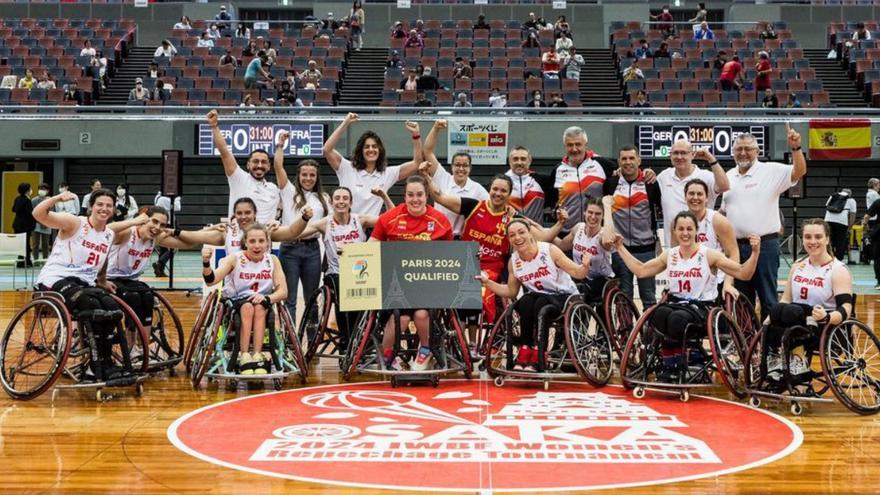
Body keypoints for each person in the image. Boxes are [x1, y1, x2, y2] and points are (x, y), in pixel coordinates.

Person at [613, 212, 760, 378]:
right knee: (657, 314)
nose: (685, 233)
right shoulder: (670, 254)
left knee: (677, 319)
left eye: (689, 229)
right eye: (681, 229)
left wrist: (755, 253)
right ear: (674, 231)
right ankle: (670, 364)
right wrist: (620, 247)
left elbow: (743, 273)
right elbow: (641, 270)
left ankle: (680, 362)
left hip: (701, 308)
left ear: (696, 230)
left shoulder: (708, 254)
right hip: (675, 304)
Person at [33, 189, 125, 380]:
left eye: (109, 205)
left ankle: (106, 361)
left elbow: (103, 259)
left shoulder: (108, 234)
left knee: (111, 307)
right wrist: (57, 198)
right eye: (100, 204)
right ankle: (95, 364)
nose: (104, 209)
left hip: (84, 283)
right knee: (90, 305)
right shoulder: (75, 222)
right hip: (56, 278)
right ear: (91, 206)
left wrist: (102, 281)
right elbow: (38, 214)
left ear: (114, 209)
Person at [479, 219, 590, 371]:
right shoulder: (514, 261)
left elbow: (578, 273)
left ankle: (540, 350)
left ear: (530, 233)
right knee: (524, 301)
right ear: (509, 240)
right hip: (538, 298)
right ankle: (525, 348)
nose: (517, 238)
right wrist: (488, 283)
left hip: (565, 297)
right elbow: (511, 291)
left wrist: (585, 265)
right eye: (512, 235)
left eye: (521, 232)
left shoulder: (549, 250)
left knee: (539, 303)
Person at [721, 128, 806, 321]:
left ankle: (771, 346)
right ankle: (747, 347)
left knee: (768, 298)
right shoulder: (728, 176)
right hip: (736, 248)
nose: (743, 153)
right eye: (739, 149)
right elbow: (724, 212)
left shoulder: (771, 170)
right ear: (733, 152)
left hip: (765, 246)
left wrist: (796, 148)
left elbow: (799, 171)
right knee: (742, 300)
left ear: (757, 151)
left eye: (748, 149)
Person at [370, 175, 453, 371]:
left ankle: (425, 350)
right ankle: (387, 353)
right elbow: (372, 246)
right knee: (403, 317)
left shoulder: (440, 221)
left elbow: (450, 255)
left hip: (427, 283)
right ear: (404, 196)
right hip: (395, 282)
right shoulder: (389, 218)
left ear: (427, 196)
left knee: (422, 315)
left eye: (419, 195)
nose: (415, 199)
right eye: (410, 195)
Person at [765, 219, 853, 381]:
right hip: (795, 320)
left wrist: (827, 317)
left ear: (827, 239)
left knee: (793, 311)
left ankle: (799, 361)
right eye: (808, 237)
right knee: (776, 310)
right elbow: (786, 298)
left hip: (824, 326)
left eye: (818, 237)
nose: (813, 241)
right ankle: (776, 359)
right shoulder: (798, 265)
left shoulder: (837, 270)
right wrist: (771, 317)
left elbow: (847, 308)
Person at [99, 207, 193, 353]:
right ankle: (130, 347)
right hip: (111, 278)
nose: (157, 227)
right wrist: (133, 221)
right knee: (133, 298)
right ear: (144, 219)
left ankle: (143, 346)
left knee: (148, 296)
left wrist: (210, 232)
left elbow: (190, 243)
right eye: (154, 221)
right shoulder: (127, 233)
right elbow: (104, 230)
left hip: (131, 280)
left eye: (162, 225)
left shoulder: (155, 239)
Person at [295, 187, 378, 348]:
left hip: (360, 273)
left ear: (351, 202)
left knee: (369, 290)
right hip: (335, 274)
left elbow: (389, 220)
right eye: (337, 198)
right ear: (332, 203)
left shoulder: (360, 220)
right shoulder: (324, 223)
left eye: (345, 198)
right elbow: (295, 233)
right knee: (344, 290)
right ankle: (347, 341)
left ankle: (365, 338)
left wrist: (383, 196)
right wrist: (274, 229)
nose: (341, 201)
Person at [202, 223, 287, 375]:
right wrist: (206, 263)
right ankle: (244, 354)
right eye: (252, 241)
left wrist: (268, 297)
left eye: (261, 241)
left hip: (262, 302)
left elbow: (283, 292)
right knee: (248, 307)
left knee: (260, 306)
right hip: (236, 302)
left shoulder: (272, 260)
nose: (257, 245)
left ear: (267, 242)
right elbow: (211, 280)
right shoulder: (234, 259)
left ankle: (257, 354)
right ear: (245, 242)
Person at [273, 131, 332, 324]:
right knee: (289, 299)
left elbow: (326, 227)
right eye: (304, 174)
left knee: (312, 299)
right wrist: (280, 145)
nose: (308, 178)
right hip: (289, 249)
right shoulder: (289, 191)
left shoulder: (324, 199)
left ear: (317, 177)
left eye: (312, 175)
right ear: (298, 176)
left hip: (312, 251)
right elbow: (278, 166)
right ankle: (290, 344)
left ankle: (312, 343)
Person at [323, 113, 422, 216]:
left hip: (371, 229)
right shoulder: (347, 168)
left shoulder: (387, 173)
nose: (371, 150)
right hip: (345, 227)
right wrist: (345, 123)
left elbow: (416, 163)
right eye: (367, 147)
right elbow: (327, 149)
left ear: (380, 150)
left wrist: (416, 135)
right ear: (361, 150)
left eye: (374, 146)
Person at [604, 145, 661, 307]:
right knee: (623, 298)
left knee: (649, 297)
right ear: (619, 162)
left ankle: (651, 332)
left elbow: (661, 208)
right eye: (624, 159)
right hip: (619, 250)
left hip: (646, 250)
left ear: (639, 160)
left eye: (631, 158)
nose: (628, 162)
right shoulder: (611, 182)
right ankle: (625, 332)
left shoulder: (650, 183)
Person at [207, 110, 280, 224]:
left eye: (263, 162)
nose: (259, 165)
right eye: (255, 161)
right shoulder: (239, 178)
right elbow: (224, 151)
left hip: (263, 240)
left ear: (269, 166)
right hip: (238, 240)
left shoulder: (274, 189)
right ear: (248, 164)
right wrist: (214, 126)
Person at [656, 139, 730, 247]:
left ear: (692, 155)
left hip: (703, 248)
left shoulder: (706, 176)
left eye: (683, 153)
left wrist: (711, 159)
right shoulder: (664, 176)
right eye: (675, 153)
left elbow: (725, 186)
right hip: (673, 249)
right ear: (670, 156)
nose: (679, 157)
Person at [554, 126, 627, 233]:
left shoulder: (601, 163)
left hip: (597, 232)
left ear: (586, 145)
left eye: (578, 144)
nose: (574, 149)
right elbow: (552, 200)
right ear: (565, 146)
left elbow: (629, 169)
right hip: (567, 232)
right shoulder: (557, 170)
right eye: (570, 145)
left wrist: (646, 173)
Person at [680, 179, 739, 298]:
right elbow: (675, 255)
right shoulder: (679, 221)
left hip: (715, 280)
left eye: (700, 194)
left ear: (707, 198)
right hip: (689, 280)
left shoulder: (718, 221)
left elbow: (733, 254)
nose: (695, 197)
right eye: (691, 193)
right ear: (685, 197)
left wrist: (728, 283)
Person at [555, 198, 615, 301]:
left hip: (601, 279)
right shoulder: (579, 228)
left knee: (583, 290)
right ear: (584, 212)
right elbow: (561, 245)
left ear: (603, 216)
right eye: (590, 212)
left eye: (598, 214)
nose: (593, 217)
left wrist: (608, 207)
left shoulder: (603, 234)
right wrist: (539, 232)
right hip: (581, 276)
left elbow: (608, 240)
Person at [506, 146, 555, 224]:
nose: (519, 163)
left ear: (529, 161)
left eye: (523, 159)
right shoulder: (501, 181)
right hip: (509, 232)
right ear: (509, 161)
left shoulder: (541, 181)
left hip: (536, 232)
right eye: (515, 159)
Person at [152, 190, 182, 278]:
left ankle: (160, 270)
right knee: (173, 248)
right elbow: (177, 207)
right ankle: (160, 263)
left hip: (164, 223)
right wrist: (177, 198)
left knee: (163, 248)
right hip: (168, 224)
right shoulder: (164, 199)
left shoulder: (158, 197)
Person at [824, 188, 857, 261]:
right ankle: (838, 259)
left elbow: (827, 207)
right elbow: (852, 216)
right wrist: (849, 228)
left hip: (828, 220)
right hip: (841, 222)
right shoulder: (851, 200)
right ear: (850, 195)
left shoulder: (832, 196)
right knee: (841, 241)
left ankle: (827, 257)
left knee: (828, 240)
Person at [12, 182, 35, 267]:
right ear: (27, 191)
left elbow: (13, 209)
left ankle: (20, 261)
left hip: (17, 224)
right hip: (25, 225)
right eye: (30, 189)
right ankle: (27, 261)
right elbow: (30, 214)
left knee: (20, 244)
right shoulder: (27, 200)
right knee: (26, 244)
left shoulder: (17, 199)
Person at [29, 184, 51, 261]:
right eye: (40, 188)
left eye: (44, 189)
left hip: (47, 224)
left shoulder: (50, 200)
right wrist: (40, 222)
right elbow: (32, 213)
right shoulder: (34, 200)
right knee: (35, 244)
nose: (42, 190)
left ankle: (45, 260)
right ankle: (35, 260)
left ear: (48, 191)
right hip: (36, 224)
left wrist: (45, 223)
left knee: (45, 244)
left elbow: (51, 213)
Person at [866, 180, 880, 289]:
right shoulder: (874, 194)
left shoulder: (870, 194)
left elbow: (867, 215)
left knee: (878, 257)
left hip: (877, 228)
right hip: (876, 225)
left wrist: (865, 224)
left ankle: (879, 282)